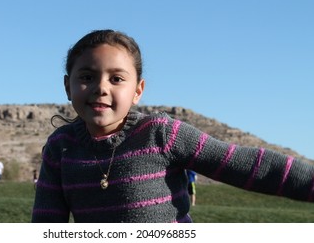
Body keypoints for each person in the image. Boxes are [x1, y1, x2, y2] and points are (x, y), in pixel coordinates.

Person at [32, 29, 314, 223]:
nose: (101, 88)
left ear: (138, 91)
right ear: (67, 86)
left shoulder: (161, 134)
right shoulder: (61, 148)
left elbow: (249, 165)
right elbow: (46, 225)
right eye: (87, 77)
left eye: (116, 79)